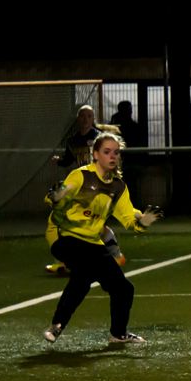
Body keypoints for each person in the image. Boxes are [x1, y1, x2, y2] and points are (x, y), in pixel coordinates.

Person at [42, 132, 162, 344]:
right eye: (106, 152)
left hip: (92, 242)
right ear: (95, 155)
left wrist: (142, 221)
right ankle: (57, 325)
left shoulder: (117, 187)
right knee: (84, 274)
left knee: (124, 288)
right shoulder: (81, 176)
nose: (112, 156)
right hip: (63, 235)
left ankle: (119, 334)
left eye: (116, 152)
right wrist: (58, 198)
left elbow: (128, 217)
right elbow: (60, 196)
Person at [46, 104, 125, 273]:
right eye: (83, 116)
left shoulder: (98, 139)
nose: (85, 119)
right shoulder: (72, 141)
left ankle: (115, 256)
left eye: (89, 116)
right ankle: (63, 261)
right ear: (78, 119)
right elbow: (68, 160)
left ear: (93, 119)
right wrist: (58, 161)